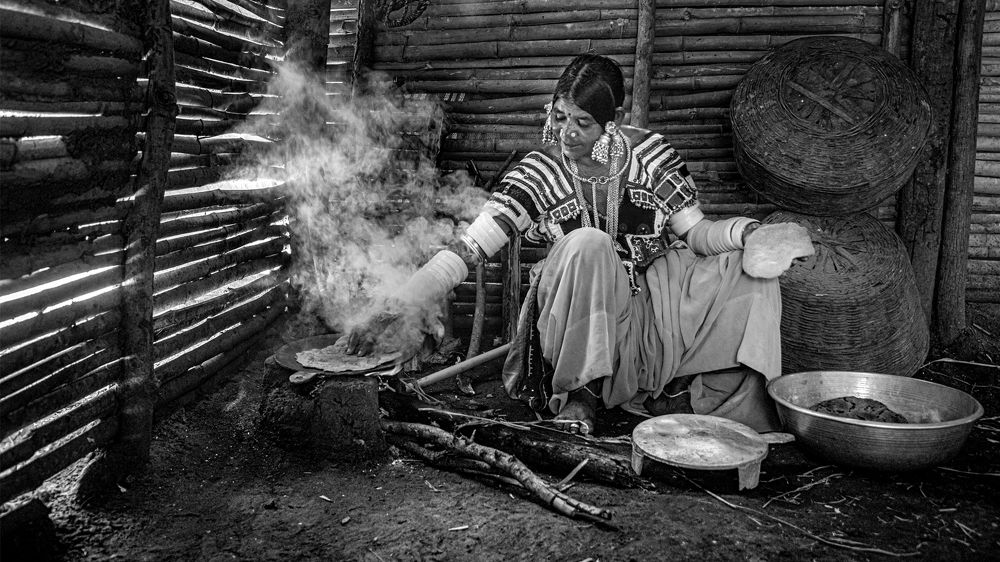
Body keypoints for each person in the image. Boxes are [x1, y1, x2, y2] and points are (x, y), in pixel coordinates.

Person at [348, 54, 806, 435]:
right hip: (574, 310)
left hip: (650, 303)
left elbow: (698, 235)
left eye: (583, 123)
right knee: (588, 243)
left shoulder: (650, 155)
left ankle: (725, 414)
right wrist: (403, 300)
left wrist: (746, 234)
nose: (567, 132)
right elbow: (471, 248)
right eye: (560, 116)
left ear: (614, 122)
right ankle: (581, 397)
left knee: (750, 273)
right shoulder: (539, 170)